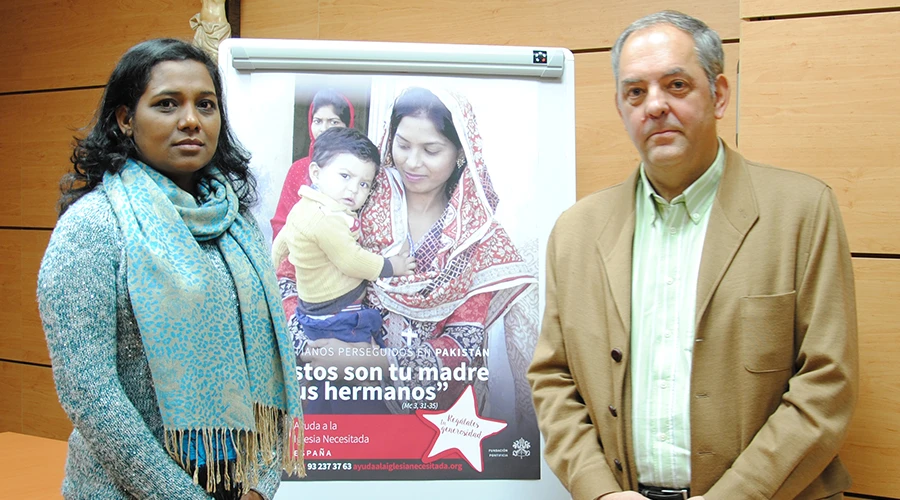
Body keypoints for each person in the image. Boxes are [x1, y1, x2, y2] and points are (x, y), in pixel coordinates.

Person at [527, 10, 858, 500]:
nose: (654, 106)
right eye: (635, 92)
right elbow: (552, 379)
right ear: (620, 108)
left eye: (676, 85)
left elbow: (827, 384)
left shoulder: (802, 212)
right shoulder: (577, 231)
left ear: (719, 95)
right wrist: (597, 490)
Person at [37, 39, 304, 499]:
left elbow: (267, 367)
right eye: (166, 104)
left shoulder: (237, 225)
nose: (190, 120)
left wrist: (260, 484)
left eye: (206, 104)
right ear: (125, 119)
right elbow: (90, 394)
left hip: (236, 486)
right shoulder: (92, 228)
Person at [279, 86, 539, 419]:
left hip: (435, 420)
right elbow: (289, 273)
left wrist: (367, 362)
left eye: (431, 150)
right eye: (402, 146)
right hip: (334, 395)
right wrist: (309, 343)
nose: (412, 162)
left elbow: (462, 343)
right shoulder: (358, 192)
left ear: (461, 152)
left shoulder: (475, 235)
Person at [271, 127, 416, 413]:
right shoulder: (327, 220)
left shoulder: (304, 208)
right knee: (351, 380)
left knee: (324, 381)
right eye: (345, 176)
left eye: (365, 184)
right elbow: (351, 261)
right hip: (337, 314)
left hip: (312, 310)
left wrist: (269, 269)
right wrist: (392, 266)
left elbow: (280, 244)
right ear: (315, 173)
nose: (354, 189)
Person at [270, 89, 355, 238]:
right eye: (318, 121)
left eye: (334, 122)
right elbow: (281, 223)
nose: (324, 129)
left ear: (348, 125)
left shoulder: (358, 168)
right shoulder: (298, 169)